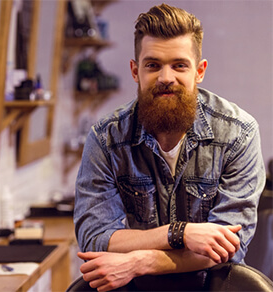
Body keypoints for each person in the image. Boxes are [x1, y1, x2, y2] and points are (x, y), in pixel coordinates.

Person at [74, 3, 266, 292]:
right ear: (135, 70)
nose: (166, 78)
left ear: (199, 71)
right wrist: (181, 233)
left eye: (179, 65)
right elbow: (96, 238)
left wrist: (140, 261)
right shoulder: (106, 138)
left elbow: (228, 248)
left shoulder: (238, 133)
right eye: (153, 65)